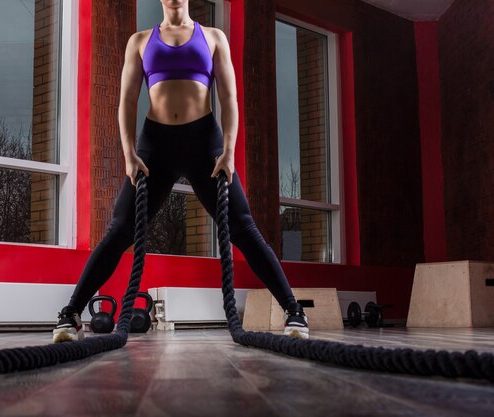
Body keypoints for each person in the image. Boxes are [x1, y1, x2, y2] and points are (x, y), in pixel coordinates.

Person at [53, 0, 309, 343]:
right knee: (120, 229)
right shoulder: (140, 41)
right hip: (154, 144)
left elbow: (230, 99)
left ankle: (294, 311)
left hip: (204, 144)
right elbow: (127, 101)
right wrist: (129, 153)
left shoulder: (214, 37)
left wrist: (229, 152)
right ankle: (70, 314)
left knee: (243, 228)